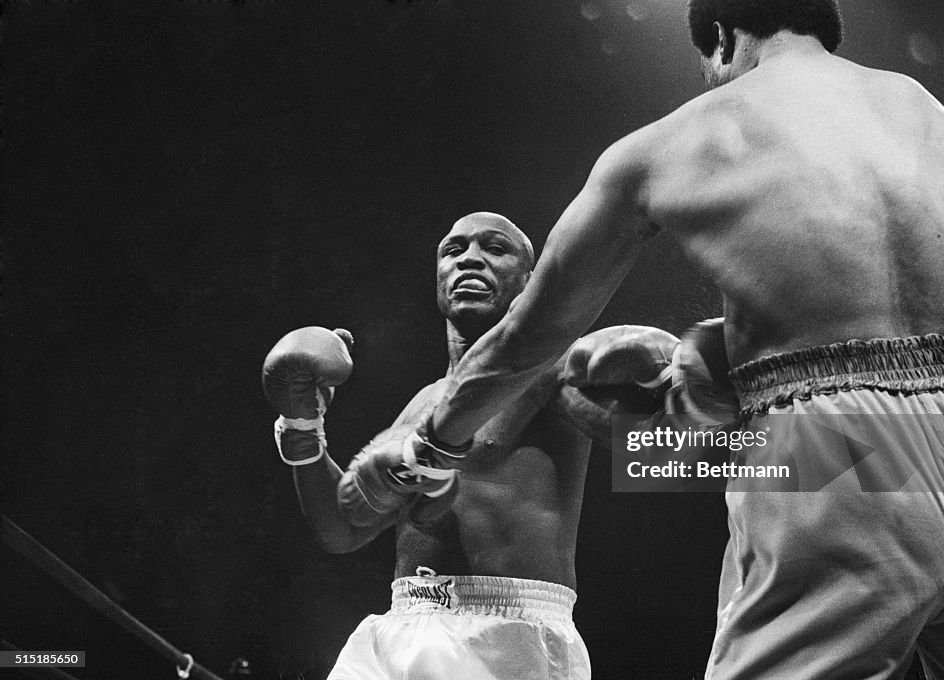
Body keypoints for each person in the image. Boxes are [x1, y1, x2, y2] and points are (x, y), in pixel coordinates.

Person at [406, 1, 944, 678]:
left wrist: (432, 441)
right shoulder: (926, 109)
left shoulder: (673, 142)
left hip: (844, 443)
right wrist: (694, 410)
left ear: (722, 40)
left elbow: (528, 335)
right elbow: (892, 363)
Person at [262, 212, 665, 680]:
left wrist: (676, 384)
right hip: (398, 627)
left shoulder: (553, 370)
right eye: (454, 250)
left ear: (529, 280)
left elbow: (674, 445)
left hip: (505, 637)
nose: (470, 258)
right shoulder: (425, 402)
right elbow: (341, 531)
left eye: (495, 248)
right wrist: (301, 423)